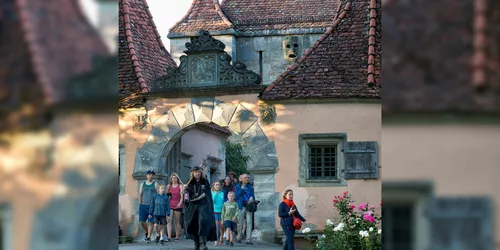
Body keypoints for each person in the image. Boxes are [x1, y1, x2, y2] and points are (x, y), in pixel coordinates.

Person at [183, 166, 217, 250]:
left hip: (202, 205)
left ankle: (203, 243)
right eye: (195, 172)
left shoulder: (205, 182)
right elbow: (187, 196)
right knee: (192, 224)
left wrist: (208, 206)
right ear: (192, 173)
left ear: (201, 173)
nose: (197, 173)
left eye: (198, 172)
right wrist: (185, 191)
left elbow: (208, 195)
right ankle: (196, 243)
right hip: (192, 206)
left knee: (202, 223)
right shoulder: (189, 182)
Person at [234, 173, 255, 245]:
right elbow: (236, 197)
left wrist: (252, 197)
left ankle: (248, 239)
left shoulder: (250, 187)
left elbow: (253, 195)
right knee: (240, 223)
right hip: (241, 206)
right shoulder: (237, 187)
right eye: (246, 177)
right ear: (241, 179)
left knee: (249, 222)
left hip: (249, 206)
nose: (247, 179)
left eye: (248, 177)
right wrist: (241, 190)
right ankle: (238, 237)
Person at [138, 170, 158, 241]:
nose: (151, 176)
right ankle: (147, 232)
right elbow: (140, 194)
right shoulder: (142, 184)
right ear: (146, 175)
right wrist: (140, 204)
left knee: (150, 222)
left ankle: (149, 237)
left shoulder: (155, 184)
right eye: (149, 174)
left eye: (152, 174)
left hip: (152, 206)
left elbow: (158, 195)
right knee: (142, 222)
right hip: (143, 205)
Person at [166, 173, 184, 242]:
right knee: (168, 220)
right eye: (173, 178)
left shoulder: (180, 186)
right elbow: (166, 196)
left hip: (178, 205)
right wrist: (168, 198)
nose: (174, 179)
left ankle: (177, 236)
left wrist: (180, 203)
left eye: (175, 178)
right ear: (171, 179)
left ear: (177, 179)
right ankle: (169, 237)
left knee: (176, 221)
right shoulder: (168, 186)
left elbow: (182, 197)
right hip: (170, 205)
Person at [212, 181, 225, 246]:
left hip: (222, 211)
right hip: (215, 211)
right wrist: (215, 194)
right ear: (214, 186)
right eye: (216, 185)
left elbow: (223, 202)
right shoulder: (212, 193)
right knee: (216, 226)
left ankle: (221, 237)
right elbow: (213, 201)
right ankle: (215, 240)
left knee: (222, 226)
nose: (217, 186)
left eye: (219, 185)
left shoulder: (222, 193)